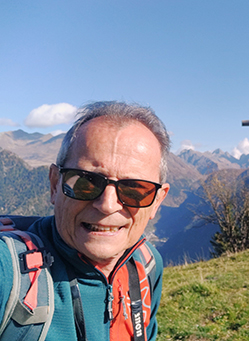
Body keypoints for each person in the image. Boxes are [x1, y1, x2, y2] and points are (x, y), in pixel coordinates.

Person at [0, 101, 170, 340]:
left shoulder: (147, 265)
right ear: (54, 185)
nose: (107, 204)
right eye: (86, 181)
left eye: (134, 189)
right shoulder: (9, 270)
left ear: (157, 201)